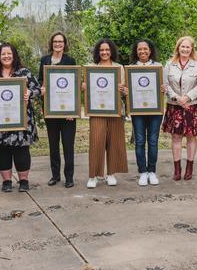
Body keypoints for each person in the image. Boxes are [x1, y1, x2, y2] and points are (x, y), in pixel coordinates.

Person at [0, 43, 41, 193]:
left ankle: (24, 180)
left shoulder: (24, 73)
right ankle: (7, 181)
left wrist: (30, 93)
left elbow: (38, 89)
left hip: (21, 118)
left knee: (22, 150)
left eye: (9, 54)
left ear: (14, 55)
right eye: (3, 54)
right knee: (2, 150)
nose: (6, 56)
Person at [85, 39, 128, 188]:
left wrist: (122, 89)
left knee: (114, 142)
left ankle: (111, 174)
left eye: (107, 50)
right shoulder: (91, 68)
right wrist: (84, 86)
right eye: (102, 50)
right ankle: (93, 176)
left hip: (115, 109)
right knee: (96, 142)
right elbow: (85, 87)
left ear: (112, 51)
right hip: (97, 110)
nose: (104, 52)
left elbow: (123, 89)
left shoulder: (119, 68)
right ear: (98, 52)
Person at [162, 36, 197, 181]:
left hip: (191, 106)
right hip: (175, 106)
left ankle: (189, 168)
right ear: (178, 48)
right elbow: (165, 85)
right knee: (176, 137)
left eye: (188, 47)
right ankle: (177, 169)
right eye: (182, 46)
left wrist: (187, 97)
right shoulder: (169, 64)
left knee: (191, 137)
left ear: (192, 49)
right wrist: (177, 98)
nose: (185, 49)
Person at [38, 32, 77, 188]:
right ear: (51, 43)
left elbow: (73, 83)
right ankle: (55, 175)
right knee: (53, 145)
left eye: (60, 41)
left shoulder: (70, 61)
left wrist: (72, 111)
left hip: (67, 112)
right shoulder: (45, 60)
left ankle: (69, 177)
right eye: (55, 41)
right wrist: (41, 88)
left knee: (68, 146)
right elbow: (40, 79)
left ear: (64, 44)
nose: (58, 44)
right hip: (51, 110)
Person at [129, 39, 164, 186]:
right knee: (140, 141)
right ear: (136, 52)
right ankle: (142, 172)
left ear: (150, 51)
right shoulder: (130, 68)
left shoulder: (158, 67)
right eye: (139, 49)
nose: (142, 51)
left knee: (153, 141)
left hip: (155, 110)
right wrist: (126, 90)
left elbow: (165, 85)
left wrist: (163, 88)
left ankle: (152, 171)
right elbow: (126, 88)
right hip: (138, 111)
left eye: (145, 49)